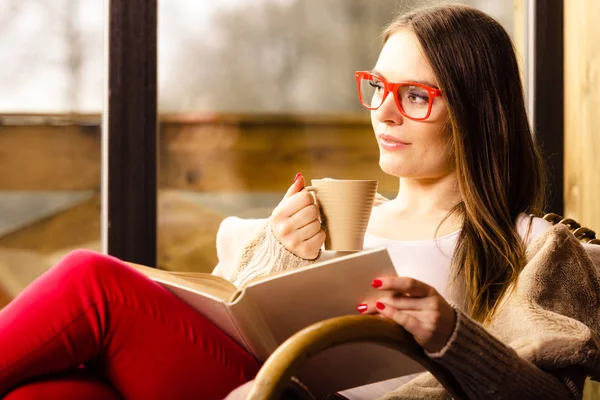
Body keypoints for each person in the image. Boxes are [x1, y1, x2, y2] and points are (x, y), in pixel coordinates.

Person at [0, 4, 598, 400]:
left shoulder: (533, 250)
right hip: (261, 388)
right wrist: (276, 255)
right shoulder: (331, 223)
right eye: (378, 88)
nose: (384, 112)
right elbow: (238, 332)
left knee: (92, 280)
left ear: (477, 112)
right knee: (55, 393)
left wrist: (449, 331)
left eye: (415, 95)